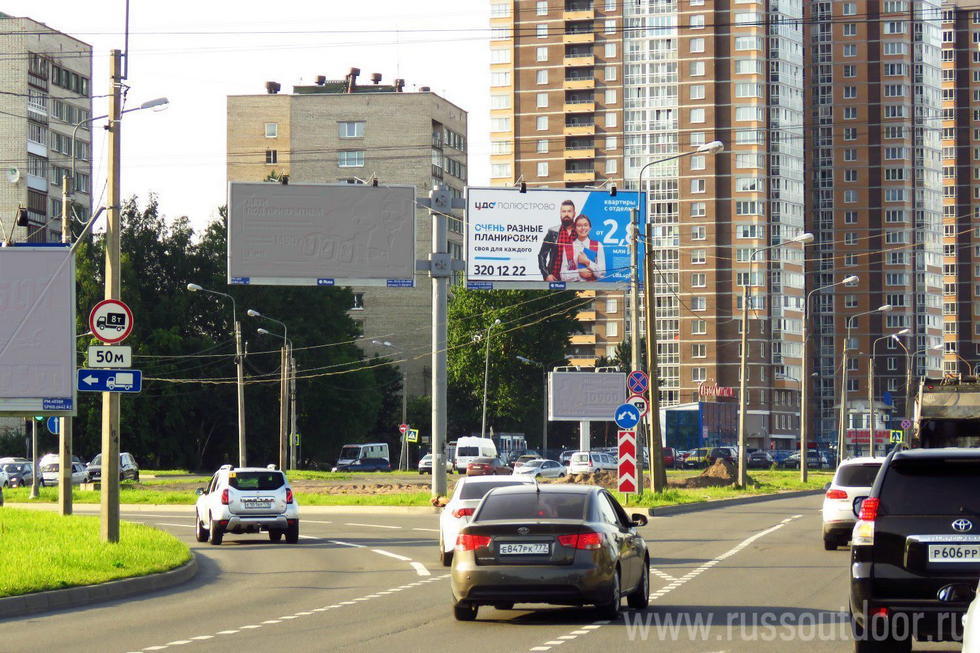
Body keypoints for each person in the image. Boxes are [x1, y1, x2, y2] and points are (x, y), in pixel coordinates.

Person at [537, 199, 577, 281]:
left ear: (574, 214)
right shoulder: (553, 232)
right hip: (554, 279)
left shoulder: (580, 232)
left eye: (569, 211)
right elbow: (542, 255)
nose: (566, 214)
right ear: (560, 214)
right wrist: (546, 275)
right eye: (564, 211)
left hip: (575, 280)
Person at [559, 214, 605, 282]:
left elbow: (602, 273)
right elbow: (562, 275)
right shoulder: (568, 247)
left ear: (590, 228)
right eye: (579, 225)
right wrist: (579, 272)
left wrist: (587, 262)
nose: (583, 228)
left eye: (585, 225)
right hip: (573, 289)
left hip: (592, 288)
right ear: (575, 228)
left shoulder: (598, 245)